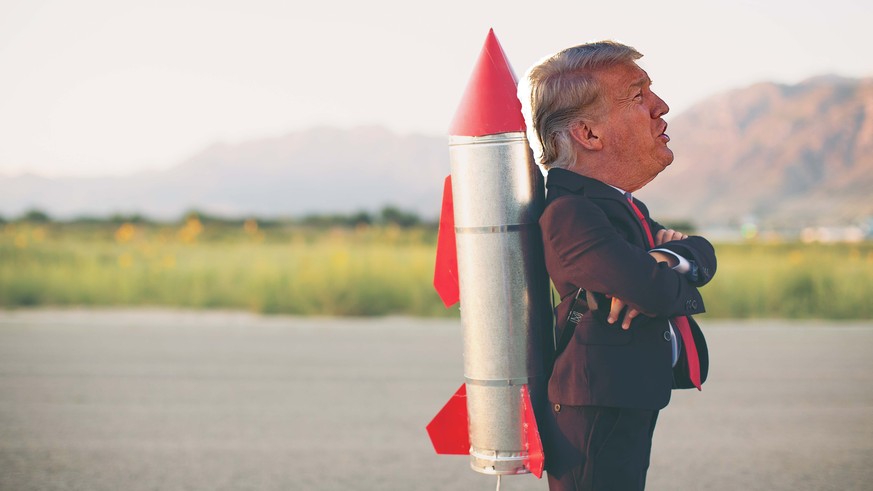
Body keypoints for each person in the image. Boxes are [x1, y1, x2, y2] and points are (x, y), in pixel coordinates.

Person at [525, 41, 717, 490]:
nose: (661, 106)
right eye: (637, 96)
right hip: (595, 404)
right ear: (589, 134)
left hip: (623, 394)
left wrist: (667, 257)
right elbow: (650, 289)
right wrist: (660, 275)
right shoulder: (571, 213)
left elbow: (701, 252)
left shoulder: (619, 208)